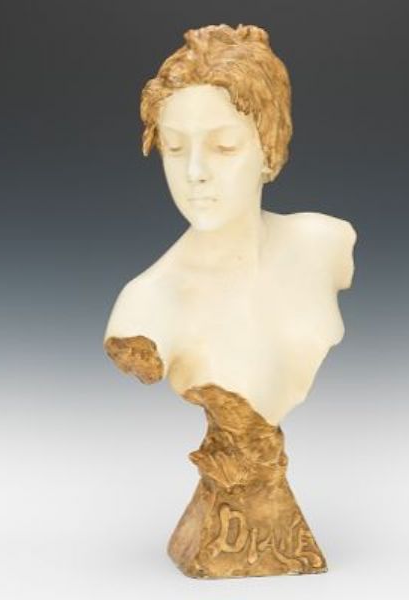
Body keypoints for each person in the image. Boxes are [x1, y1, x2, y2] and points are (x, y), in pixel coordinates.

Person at [103, 24, 357, 578]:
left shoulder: (325, 244)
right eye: (174, 149)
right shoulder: (148, 307)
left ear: (270, 150)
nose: (195, 173)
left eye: (223, 147)